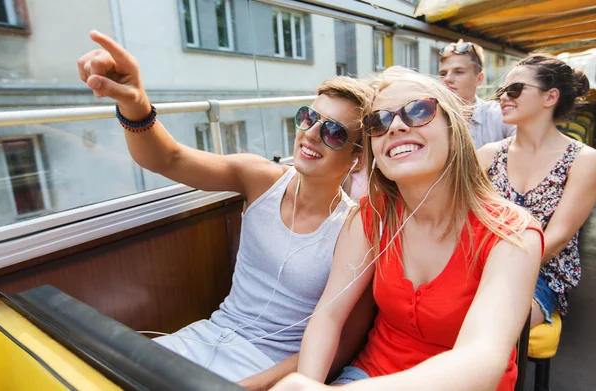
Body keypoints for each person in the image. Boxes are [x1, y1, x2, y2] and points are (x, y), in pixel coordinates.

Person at [77, 30, 376, 384]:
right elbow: (168, 159)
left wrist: (249, 386)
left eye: (334, 133)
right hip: (207, 336)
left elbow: (341, 345)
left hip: (269, 369)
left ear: (356, 157)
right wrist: (134, 104)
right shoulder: (260, 177)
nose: (310, 134)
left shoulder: (355, 228)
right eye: (308, 118)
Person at [270, 66, 544, 391]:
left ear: (453, 130)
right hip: (371, 374)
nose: (396, 126)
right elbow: (328, 316)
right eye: (378, 122)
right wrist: (308, 383)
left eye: (418, 111)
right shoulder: (372, 217)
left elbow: (481, 360)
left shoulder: (512, 234)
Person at [478, 53, 596, 328]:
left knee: (491, 323)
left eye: (515, 89)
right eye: (501, 91)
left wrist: (494, 269)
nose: (503, 97)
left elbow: (556, 238)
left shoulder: (583, 160)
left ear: (550, 97)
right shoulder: (487, 155)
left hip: (540, 274)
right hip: (480, 265)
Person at [438, 39, 516, 148]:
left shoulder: (498, 115)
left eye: (458, 72)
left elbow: (529, 146)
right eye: (443, 73)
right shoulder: (430, 118)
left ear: (479, 79)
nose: (447, 79)